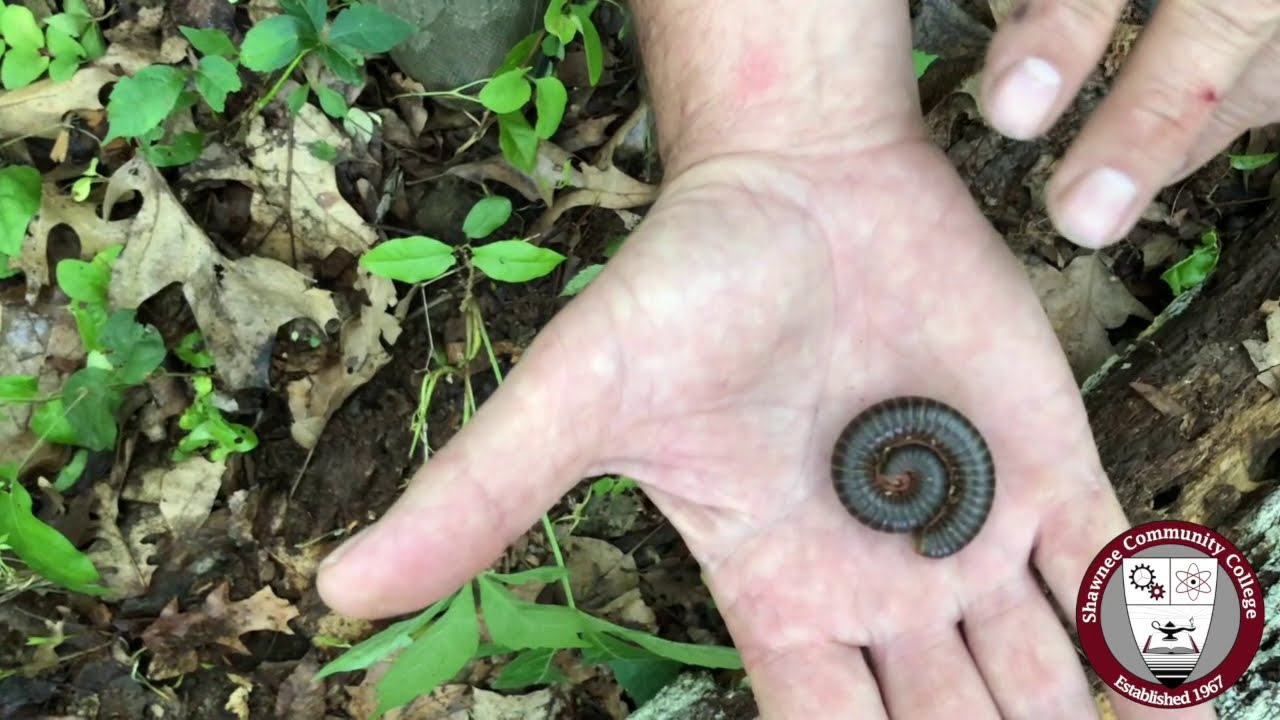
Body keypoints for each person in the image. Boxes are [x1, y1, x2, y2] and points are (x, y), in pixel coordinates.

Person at [318, 1, 1277, 716]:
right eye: (932, 513)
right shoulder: (911, 480)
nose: (925, 515)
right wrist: (784, 126)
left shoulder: (917, 479)